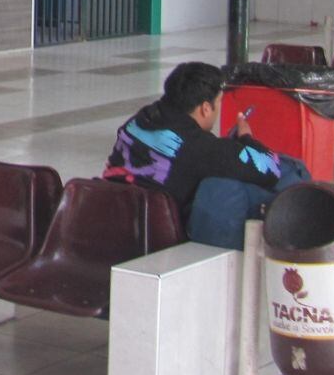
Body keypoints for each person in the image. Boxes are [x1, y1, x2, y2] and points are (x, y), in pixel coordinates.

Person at [105, 62, 306, 246]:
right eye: (219, 103)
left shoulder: (141, 119)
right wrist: (246, 138)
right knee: (291, 169)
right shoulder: (199, 147)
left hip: (117, 220)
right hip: (163, 233)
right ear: (205, 108)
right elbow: (269, 168)